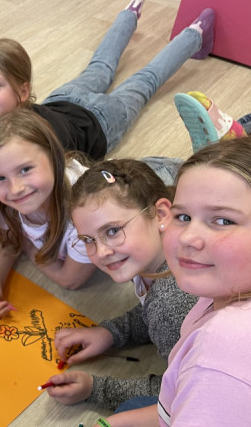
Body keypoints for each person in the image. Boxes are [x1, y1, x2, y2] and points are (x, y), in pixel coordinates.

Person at [41, 134, 251, 427]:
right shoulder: (226, 291)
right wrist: (117, 421)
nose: (189, 238)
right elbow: (183, 394)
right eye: (185, 216)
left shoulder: (228, 350)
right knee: (133, 417)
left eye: (222, 220)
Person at [0, 0, 213, 244]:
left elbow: (30, 208)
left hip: (102, 119)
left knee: (145, 80)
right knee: (101, 65)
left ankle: (195, 33)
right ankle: (129, 13)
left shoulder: (40, 143)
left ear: (23, 92)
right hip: (63, 98)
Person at [40, 159, 198, 410]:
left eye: (112, 231)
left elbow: (184, 393)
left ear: (160, 214)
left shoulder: (170, 301)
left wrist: (95, 389)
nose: (101, 252)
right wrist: (111, 333)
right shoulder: (159, 258)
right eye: (88, 239)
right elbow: (152, 310)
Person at [0, 109, 96, 317]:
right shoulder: (9, 200)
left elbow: (70, 280)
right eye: (0, 178)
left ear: (54, 157)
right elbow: (6, 239)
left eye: (25, 169)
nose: (15, 189)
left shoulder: (85, 214)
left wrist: (26, 245)